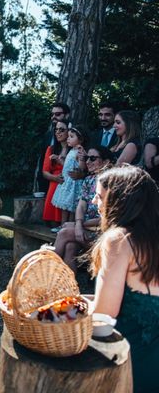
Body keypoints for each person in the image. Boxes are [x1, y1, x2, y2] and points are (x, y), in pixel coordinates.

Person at [89, 165, 159, 392]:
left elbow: (103, 314)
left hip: (132, 366)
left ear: (120, 201)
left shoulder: (118, 241)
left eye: (99, 196)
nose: (93, 202)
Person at [53, 146, 113, 272]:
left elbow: (108, 218)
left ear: (106, 162)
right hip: (86, 228)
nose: (87, 162)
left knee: (64, 232)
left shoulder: (112, 183)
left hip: (104, 233)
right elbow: (81, 205)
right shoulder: (89, 180)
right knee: (70, 246)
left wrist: (79, 225)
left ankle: (48, 268)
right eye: (86, 158)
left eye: (92, 158)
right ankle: (68, 287)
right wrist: (79, 225)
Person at [52, 125, 88, 225]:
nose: (68, 139)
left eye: (71, 137)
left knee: (72, 207)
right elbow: (68, 166)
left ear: (80, 139)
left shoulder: (80, 152)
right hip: (66, 182)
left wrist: (82, 159)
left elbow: (82, 168)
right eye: (68, 136)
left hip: (73, 184)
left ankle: (70, 225)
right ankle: (63, 225)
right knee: (65, 206)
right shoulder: (71, 150)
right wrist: (60, 161)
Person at [36, 103, 71, 193]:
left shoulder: (75, 137)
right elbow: (43, 160)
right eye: (52, 114)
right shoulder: (48, 135)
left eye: (58, 114)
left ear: (67, 115)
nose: (53, 117)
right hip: (48, 181)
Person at [42, 120, 68, 225]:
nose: (58, 132)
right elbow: (44, 171)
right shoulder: (51, 149)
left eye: (62, 129)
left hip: (68, 184)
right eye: (56, 129)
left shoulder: (74, 150)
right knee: (51, 221)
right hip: (54, 183)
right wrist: (55, 178)